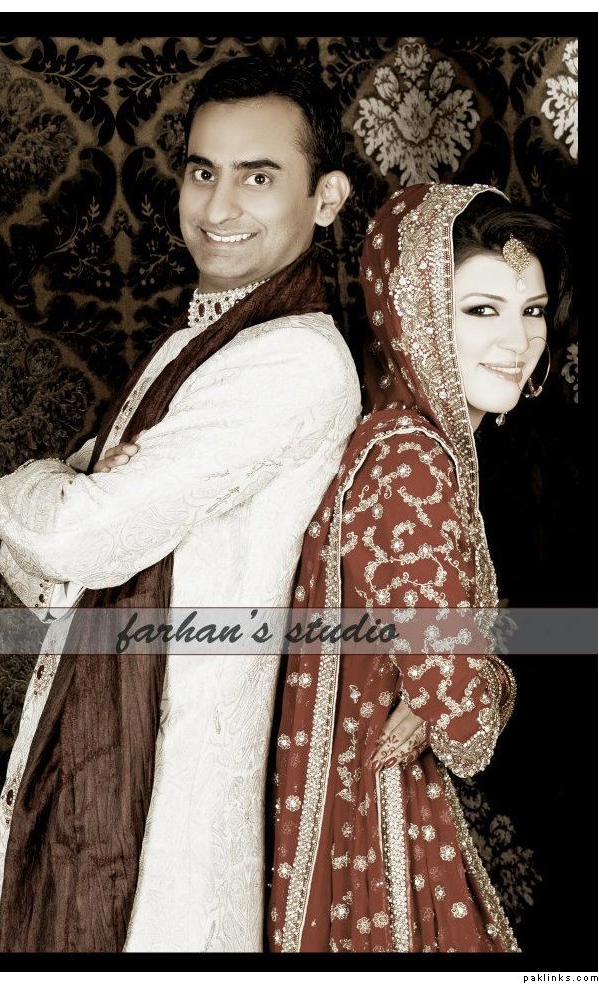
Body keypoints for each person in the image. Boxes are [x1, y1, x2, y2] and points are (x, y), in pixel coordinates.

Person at [0, 56, 360, 953]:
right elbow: (39, 582)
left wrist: (22, 482)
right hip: (118, 759)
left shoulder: (291, 361)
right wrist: (68, 508)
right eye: (202, 171)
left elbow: (70, 540)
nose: (218, 206)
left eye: (258, 177)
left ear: (327, 198)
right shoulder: (200, 343)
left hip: (177, 805)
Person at [268, 182, 571, 953]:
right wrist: (479, 684)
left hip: (350, 803)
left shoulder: (394, 438)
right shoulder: (413, 462)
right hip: (377, 823)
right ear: (415, 315)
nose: (517, 340)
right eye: (482, 310)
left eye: (532, 310)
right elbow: (464, 717)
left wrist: (443, 688)